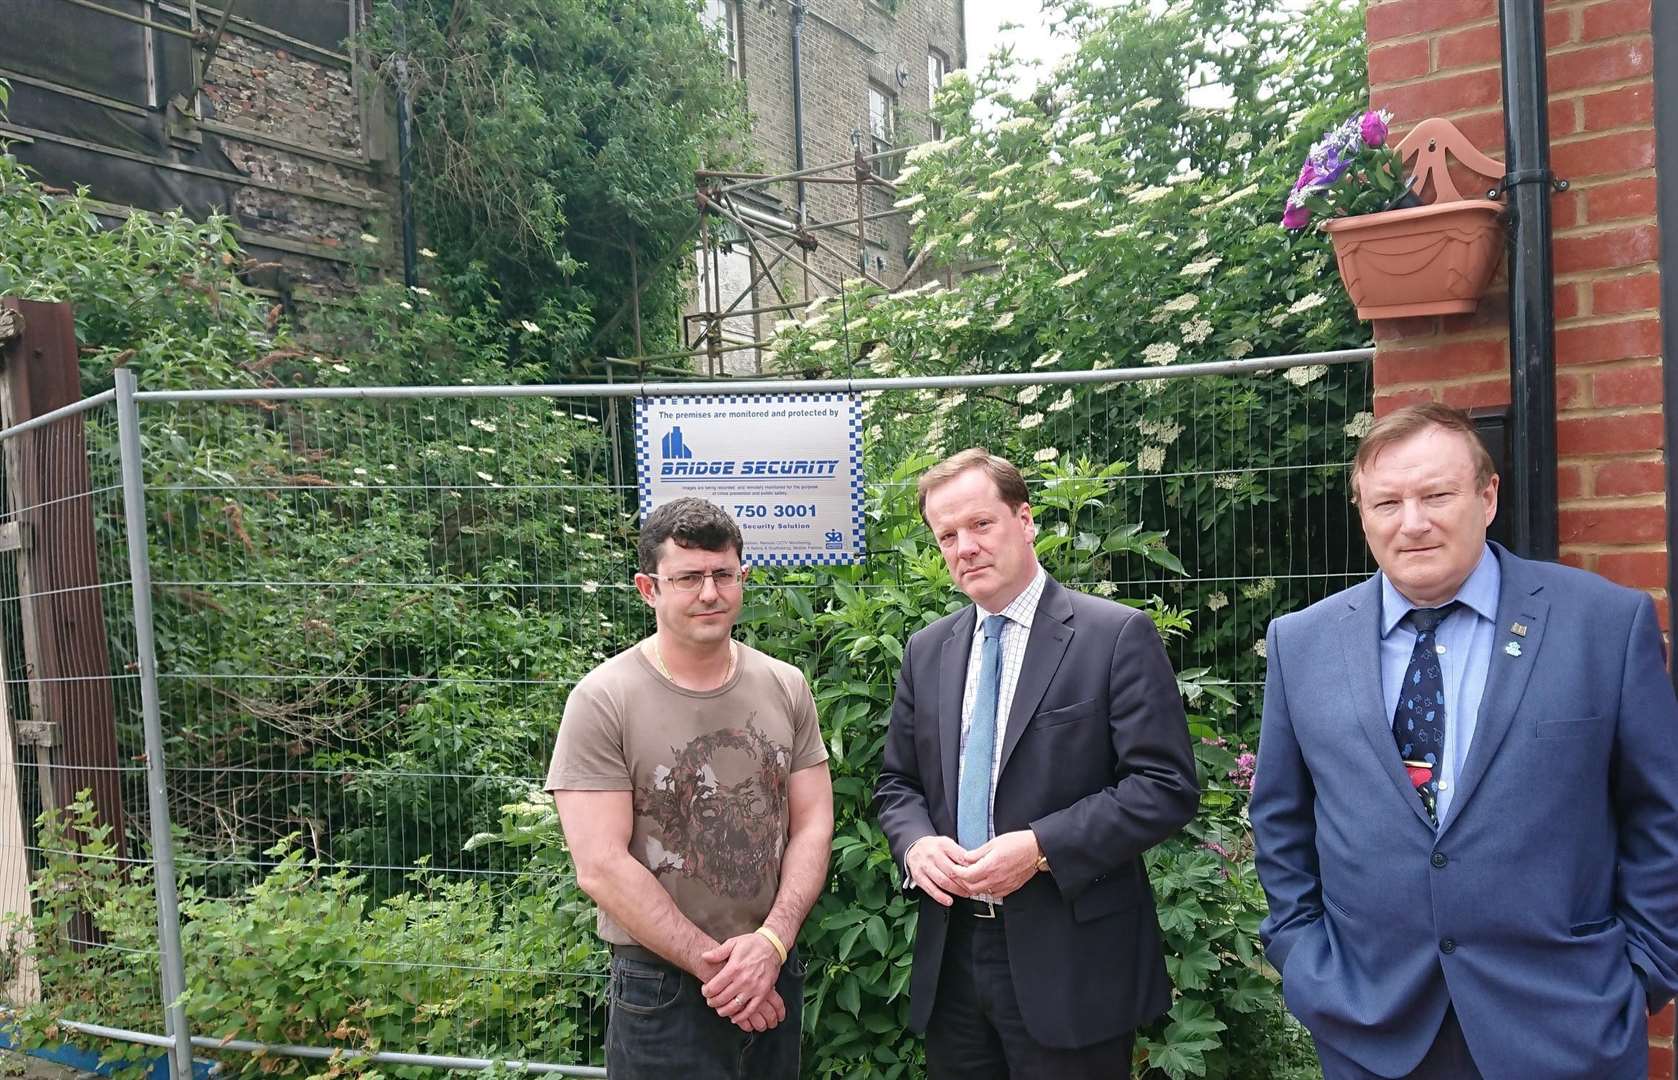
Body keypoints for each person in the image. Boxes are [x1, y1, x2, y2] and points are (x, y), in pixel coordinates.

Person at [1251, 403, 1678, 1080]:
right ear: (1362, 512)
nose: (1411, 522)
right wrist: (1303, 960)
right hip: (1370, 1030)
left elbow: (1662, 817)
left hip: (1566, 1028)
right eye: (1386, 501)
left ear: (1488, 496)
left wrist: (1644, 974)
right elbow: (1280, 822)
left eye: (1436, 495)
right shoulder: (1302, 643)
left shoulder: (1603, 624)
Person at [874, 448, 1200, 1078]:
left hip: (1071, 959)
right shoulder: (927, 651)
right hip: (955, 956)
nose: (964, 547)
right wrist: (915, 846)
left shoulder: (1113, 636)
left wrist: (1041, 846)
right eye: (946, 535)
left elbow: (1164, 787)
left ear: (1025, 520)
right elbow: (898, 784)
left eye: (981, 525)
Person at [546, 497, 833, 1079]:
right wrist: (727, 972)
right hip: (662, 988)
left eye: (723, 574)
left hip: (774, 964)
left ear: (742, 578)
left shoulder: (786, 685)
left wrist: (772, 944)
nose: (710, 593)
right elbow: (599, 865)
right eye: (688, 578)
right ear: (647, 588)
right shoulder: (603, 700)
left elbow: (812, 824)